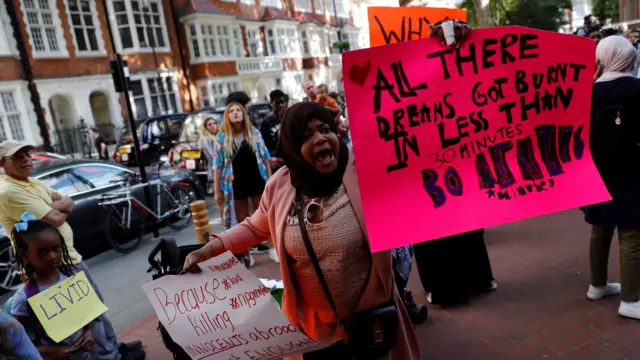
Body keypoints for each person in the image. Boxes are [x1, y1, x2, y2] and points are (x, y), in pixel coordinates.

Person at [184, 102, 421, 359]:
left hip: (370, 319)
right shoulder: (279, 186)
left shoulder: (362, 171)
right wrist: (209, 250)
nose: (320, 139)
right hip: (313, 331)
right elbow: (254, 228)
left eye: (324, 129)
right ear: (292, 147)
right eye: (307, 136)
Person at [0, 141, 143, 359]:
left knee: (95, 307)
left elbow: (69, 203)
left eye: (27, 153)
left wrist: (54, 207)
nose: (27, 158)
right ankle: (109, 355)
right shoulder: (9, 190)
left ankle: (113, 348)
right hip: (53, 262)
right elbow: (56, 216)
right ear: (3, 163)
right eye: (18, 156)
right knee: (85, 315)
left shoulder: (31, 183)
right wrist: (55, 208)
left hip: (66, 256)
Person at [9, 214, 126, 360]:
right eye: (42, 253)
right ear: (24, 254)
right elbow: (14, 340)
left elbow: (86, 310)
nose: (52, 256)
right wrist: (47, 350)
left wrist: (88, 331)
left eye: (56, 248)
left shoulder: (71, 276)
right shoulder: (25, 296)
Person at [585, 35, 640, 320]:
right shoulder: (635, 88)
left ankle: (598, 285)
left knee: (600, 228)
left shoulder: (587, 90)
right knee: (631, 233)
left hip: (595, 172)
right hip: (630, 170)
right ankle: (631, 299)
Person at [214, 103, 272, 268]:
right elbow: (217, 166)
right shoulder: (222, 138)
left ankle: (273, 248)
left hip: (256, 179)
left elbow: (266, 158)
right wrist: (217, 190)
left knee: (266, 215)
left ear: (243, 113)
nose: (235, 113)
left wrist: (270, 180)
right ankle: (246, 254)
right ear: (227, 116)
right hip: (235, 183)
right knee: (242, 222)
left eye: (238, 110)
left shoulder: (253, 132)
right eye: (231, 111)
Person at [200, 117, 220, 200]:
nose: (212, 126)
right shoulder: (206, 139)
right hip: (216, 170)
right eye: (209, 125)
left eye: (214, 123)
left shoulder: (219, 136)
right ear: (206, 128)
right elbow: (213, 155)